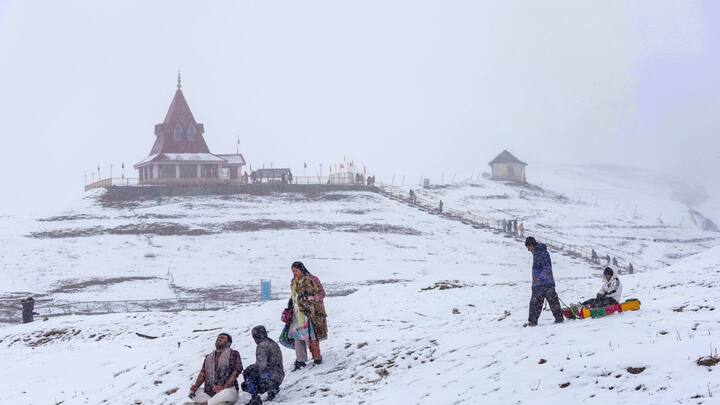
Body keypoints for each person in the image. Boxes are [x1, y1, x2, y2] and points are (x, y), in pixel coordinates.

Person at [287, 261, 327, 371]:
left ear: (302, 269)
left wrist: (313, 298)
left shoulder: (313, 279)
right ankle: (300, 360)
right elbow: (293, 296)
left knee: (311, 336)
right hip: (297, 313)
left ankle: (317, 358)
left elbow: (322, 293)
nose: (294, 273)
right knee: (297, 337)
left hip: (309, 312)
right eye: (293, 271)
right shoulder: (293, 281)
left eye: (296, 270)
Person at [188, 333, 243, 405]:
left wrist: (223, 388)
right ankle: (212, 402)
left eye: (222, 338)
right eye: (218, 337)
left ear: (228, 343)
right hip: (210, 393)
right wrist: (195, 387)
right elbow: (202, 374)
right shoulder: (208, 357)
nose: (219, 339)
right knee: (193, 392)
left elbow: (236, 372)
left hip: (227, 391)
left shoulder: (233, 353)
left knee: (227, 393)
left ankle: (206, 403)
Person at [525, 237, 563, 326]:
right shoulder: (536, 253)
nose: (528, 250)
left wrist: (539, 278)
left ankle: (559, 319)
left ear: (532, 245)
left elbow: (547, 268)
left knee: (552, 302)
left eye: (528, 247)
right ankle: (532, 322)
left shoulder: (542, 253)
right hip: (538, 284)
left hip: (546, 283)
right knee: (536, 303)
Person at [241, 326, 285, 405]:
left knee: (248, 373)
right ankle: (272, 389)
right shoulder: (272, 343)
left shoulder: (261, 346)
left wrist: (250, 369)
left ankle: (255, 397)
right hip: (279, 375)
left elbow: (262, 365)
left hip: (270, 378)